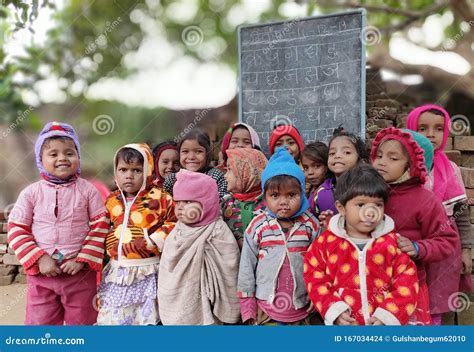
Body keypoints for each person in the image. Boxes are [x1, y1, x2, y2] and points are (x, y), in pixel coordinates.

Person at [7, 122, 109, 325]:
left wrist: (81, 260)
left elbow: (101, 224)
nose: (62, 158)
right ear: (40, 160)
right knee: (40, 324)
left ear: (78, 157)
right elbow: (17, 228)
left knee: (82, 324)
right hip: (42, 276)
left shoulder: (87, 191)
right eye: (53, 154)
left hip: (79, 275)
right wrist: (40, 258)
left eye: (69, 153)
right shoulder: (31, 193)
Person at [304, 164, 419, 325]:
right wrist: (334, 309)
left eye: (378, 205)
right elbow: (315, 278)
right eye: (361, 205)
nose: (370, 212)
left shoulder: (392, 243)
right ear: (341, 208)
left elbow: (407, 282)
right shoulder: (326, 243)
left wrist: (387, 316)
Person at [371, 127, 459, 325]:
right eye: (380, 155)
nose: (382, 162)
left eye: (393, 158)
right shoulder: (369, 191)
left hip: (408, 286)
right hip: (369, 282)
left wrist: (418, 248)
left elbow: (447, 240)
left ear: (411, 166)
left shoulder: (425, 201)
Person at [237, 147, 320, 325]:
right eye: (275, 195)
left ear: (302, 194)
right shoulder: (258, 225)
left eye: (291, 195)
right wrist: (248, 306)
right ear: (265, 198)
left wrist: (318, 294)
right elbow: (246, 268)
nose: (283, 201)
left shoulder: (310, 225)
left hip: (302, 308)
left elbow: (320, 264)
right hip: (266, 310)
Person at [406, 104, 472, 324]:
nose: (430, 135)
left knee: (437, 300)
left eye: (438, 129)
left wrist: (466, 250)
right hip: (409, 242)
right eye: (422, 128)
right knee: (406, 299)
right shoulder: (401, 165)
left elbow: (461, 212)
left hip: (444, 245)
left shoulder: (450, 168)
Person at [97, 143, 176, 325]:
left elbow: (175, 222)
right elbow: (101, 227)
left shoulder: (161, 198)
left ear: (148, 171)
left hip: (147, 271)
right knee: (115, 316)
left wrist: (154, 240)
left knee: (146, 317)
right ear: (115, 171)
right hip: (117, 271)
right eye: (123, 169)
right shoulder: (111, 200)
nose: (129, 176)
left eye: (137, 170)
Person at [158, 170, 240, 325]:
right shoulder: (177, 231)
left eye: (188, 202)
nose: (181, 207)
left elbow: (229, 265)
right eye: (178, 202)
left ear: (207, 203)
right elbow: (168, 266)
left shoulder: (218, 231)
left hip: (209, 302)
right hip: (180, 297)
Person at [313, 127, 368, 222]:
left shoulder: (367, 188)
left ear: (360, 160)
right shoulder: (320, 192)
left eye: (347, 152)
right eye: (332, 153)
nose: (337, 156)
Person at [222, 148, 267, 249]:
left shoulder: (268, 203)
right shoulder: (226, 202)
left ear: (246, 172)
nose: (225, 176)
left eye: (230, 170)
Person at [163, 129, 228, 201]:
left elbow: (222, 204)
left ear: (208, 153)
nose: (191, 157)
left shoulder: (216, 177)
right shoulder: (172, 180)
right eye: (185, 151)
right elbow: (167, 206)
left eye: (198, 151)